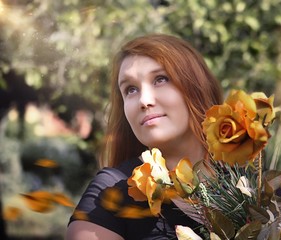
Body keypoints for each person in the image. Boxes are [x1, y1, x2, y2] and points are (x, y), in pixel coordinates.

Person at [66, 34, 223, 240]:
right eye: (130, 89)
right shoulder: (109, 195)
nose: (144, 100)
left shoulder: (254, 184)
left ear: (197, 86)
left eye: (160, 79)